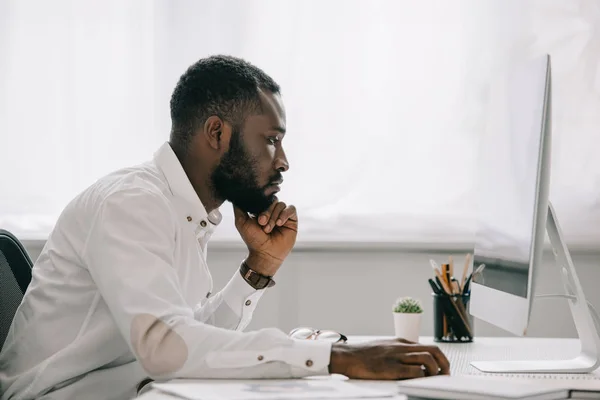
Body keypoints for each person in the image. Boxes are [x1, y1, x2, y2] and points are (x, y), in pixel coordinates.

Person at [0, 55, 450, 400]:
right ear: (217, 133)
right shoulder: (132, 203)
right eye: (271, 140)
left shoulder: (181, 209)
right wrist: (337, 357)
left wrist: (259, 267)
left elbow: (185, 336)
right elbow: (165, 347)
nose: (284, 161)